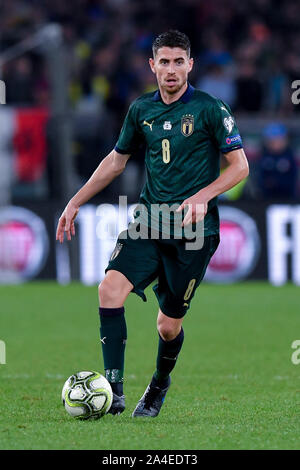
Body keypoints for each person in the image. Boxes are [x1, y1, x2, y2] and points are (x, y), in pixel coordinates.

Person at [56, 30, 249, 418]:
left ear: (190, 65)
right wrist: (75, 201)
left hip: (195, 235)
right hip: (147, 221)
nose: (172, 70)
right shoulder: (140, 110)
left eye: (180, 62)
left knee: (167, 326)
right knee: (109, 288)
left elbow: (240, 166)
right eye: (165, 62)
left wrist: (202, 196)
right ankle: (113, 390)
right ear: (152, 66)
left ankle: (159, 384)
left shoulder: (211, 109)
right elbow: (116, 161)